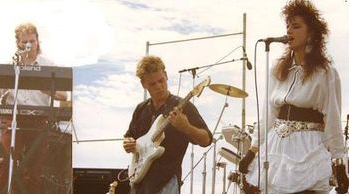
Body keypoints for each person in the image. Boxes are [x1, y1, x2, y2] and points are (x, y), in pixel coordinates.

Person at [238, 0, 349, 193]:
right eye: (287, 26)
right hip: (276, 148)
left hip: (307, 148)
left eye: (296, 26)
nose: (289, 31)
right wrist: (252, 151)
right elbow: (268, 115)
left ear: (312, 34)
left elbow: (332, 118)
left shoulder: (326, 72)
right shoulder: (277, 71)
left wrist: (339, 163)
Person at [123, 55, 212, 194]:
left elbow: (206, 139)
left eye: (161, 80)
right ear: (143, 84)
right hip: (139, 183)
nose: (159, 86)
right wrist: (128, 143)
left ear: (166, 75)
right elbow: (130, 136)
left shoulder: (184, 107)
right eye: (153, 84)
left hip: (165, 182)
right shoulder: (141, 109)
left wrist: (186, 127)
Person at [0, 22, 67, 194]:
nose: (28, 45)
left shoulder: (48, 64)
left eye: (32, 41)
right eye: (24, 42)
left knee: (34, 168)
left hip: (38, 120)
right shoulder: (11, 63)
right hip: (13, 117)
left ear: (38, 41)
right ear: (18, 44)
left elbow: (63, 96)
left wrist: (42, 87)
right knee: (6, 162)